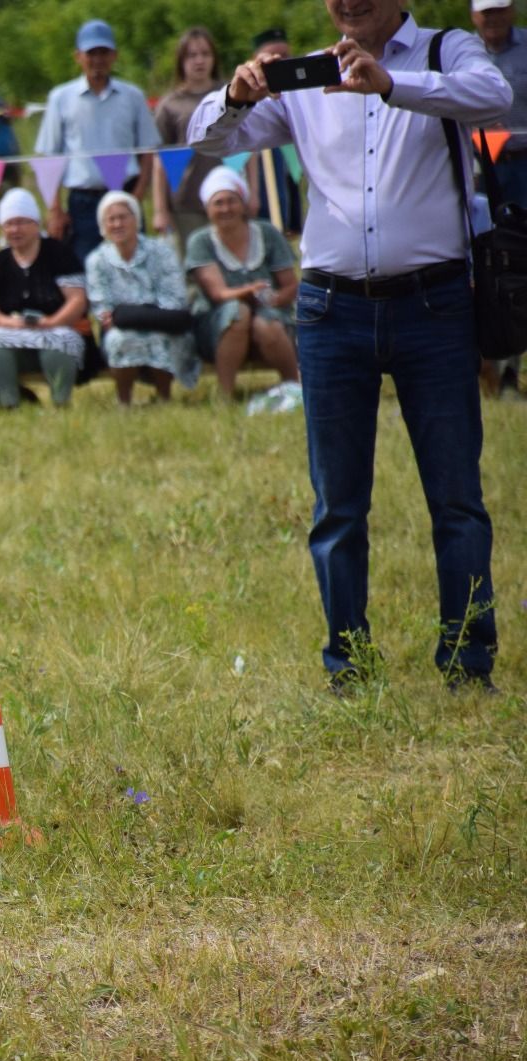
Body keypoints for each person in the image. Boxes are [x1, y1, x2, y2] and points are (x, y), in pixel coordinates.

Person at [189, 0, 506, 689]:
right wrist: (235, 96)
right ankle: (349, 664)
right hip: (331, 310)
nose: (349, 1)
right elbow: (208, 142)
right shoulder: (306, 75)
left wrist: (392, 87)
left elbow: (495, 95)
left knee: (455, 498)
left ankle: (468, 661)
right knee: (337, 505)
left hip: (435, 304)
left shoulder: (442, 51)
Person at [34, 20, 161, 262]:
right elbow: (49, 157)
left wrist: (138, 194)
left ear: (114, 56)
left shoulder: (133, 96)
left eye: (103, 53)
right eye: (91, 53)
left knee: (133, 262)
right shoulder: (60, 97)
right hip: (83, 200)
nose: (98, 60)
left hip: (125, 192)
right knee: (85, 265)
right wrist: (55, 210)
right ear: (78, 56)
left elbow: (147, 150)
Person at [184, 168, 300, 400]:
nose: (225, 208)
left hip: (269, 315)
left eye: (231, 201)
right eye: (218, 203)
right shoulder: (201, 241)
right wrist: (251, 290)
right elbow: (218, 294)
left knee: (266, 323)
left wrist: (276, 298)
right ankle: (224, 395)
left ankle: (295, 389)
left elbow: (290, 285)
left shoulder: (267, 232)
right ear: (208, 208)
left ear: (243, 203)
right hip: (216, 321)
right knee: (238, 312)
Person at [0, 189, 90, 409]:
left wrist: (51, 322)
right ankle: (8, 403)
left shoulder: (59, 254)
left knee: (61, 339)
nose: (15, 229)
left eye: (21, 222)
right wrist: (8, 322)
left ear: (36, 224)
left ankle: (60, 402)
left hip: (58, 326)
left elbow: (77, 300)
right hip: (15, 331)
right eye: (9, 224)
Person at [85, 191, 197, 405]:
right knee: (120, 339)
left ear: (136, 220)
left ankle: (165, 398)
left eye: (123, 217)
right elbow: (103, 310)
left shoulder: (162, 251)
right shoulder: (97, 260)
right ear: (103, 226)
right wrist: (142, 315)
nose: (118, 224)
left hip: (163, 324)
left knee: (162, 337)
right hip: (123, 327)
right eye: (111, 219)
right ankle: (124, 401)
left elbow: (175, 297)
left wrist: (134, 315)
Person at [474, 0, 527, 397]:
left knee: (520, 267)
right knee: (488, 269)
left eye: (500, 10)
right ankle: (488, 368)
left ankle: (514, 370)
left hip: (523, 168)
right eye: (486, 12)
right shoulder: (461, 53)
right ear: (475, 15)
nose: (493, 19)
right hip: (476, 175)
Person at [152, 28, 225, 249]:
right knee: (195, 270)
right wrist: (160, 210)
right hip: (186, 202)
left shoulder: (229, 94)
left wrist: (253, 196)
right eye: (192, 55)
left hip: (229, 200)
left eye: (205, 54)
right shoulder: (169, 105)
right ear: (181, 61)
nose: (199, 61)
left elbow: (249, 152)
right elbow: (159, 161)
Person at [243, 29, 305, 236]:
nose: (281, 62)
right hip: (261, 166)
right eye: (272, 57)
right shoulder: (249, 94)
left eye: (285, 56)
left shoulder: (304, 92)